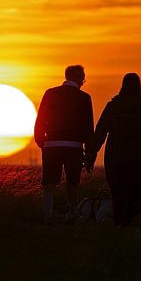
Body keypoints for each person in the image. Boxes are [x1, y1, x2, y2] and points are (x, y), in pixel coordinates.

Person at [86, 73, 141, 226]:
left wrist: (91, 156)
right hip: (140, 159)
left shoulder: (113, 106)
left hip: (116, 159)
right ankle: (134, 231)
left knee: (118, 196)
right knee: (137, 197)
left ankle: (119, 228)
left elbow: (100, 132)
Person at [34, 65, 95, 224]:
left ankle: (47, 216)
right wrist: (89, 153)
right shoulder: (84, 98)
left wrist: (41, 142)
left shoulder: (50, 93)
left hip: (52, 145)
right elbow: (88, 127)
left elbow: (40, 119)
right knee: (73, 183)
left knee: (49, 183)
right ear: (81, 79)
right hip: (74, 147)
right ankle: (74, 214)